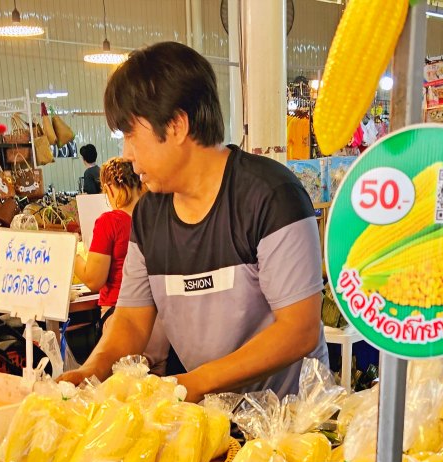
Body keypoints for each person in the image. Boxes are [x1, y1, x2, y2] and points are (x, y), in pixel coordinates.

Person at [62, 42, 325, 399]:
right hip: (213, 418)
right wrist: (93, 370)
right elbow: (131, 320)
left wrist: (194, 383)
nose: (126, 153)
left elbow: (299, 329)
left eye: (130, 134)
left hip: (294, 420)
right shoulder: (149, 215)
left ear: (176, 125)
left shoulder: (271, 196)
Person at [71, 157, 144, 360]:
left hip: (121, 318)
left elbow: (94, 280)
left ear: (110, 188)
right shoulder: (155, 218)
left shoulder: (110, 222)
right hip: (157, 320)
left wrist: (71, 254)